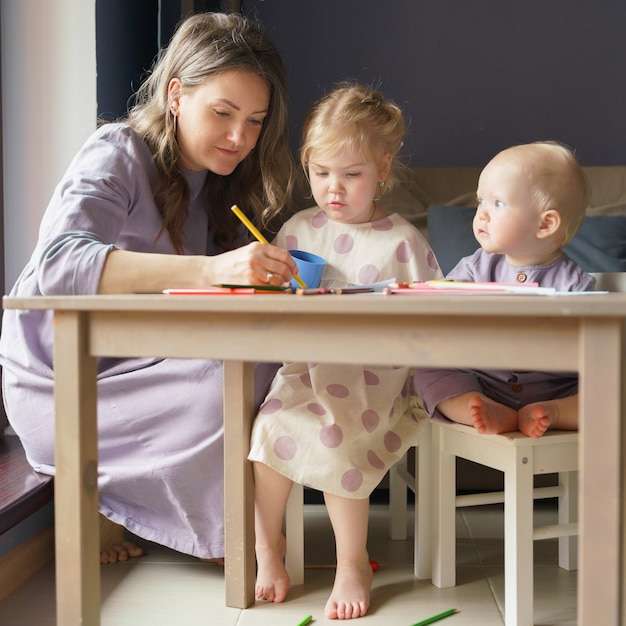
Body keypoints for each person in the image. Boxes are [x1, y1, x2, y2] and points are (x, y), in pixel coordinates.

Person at [0, 12, 299, 564]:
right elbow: (59, 265)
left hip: (139, 368)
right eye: (223, 113)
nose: (240, 137)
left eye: (255, 121)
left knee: (267, 362)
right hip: (62, 383)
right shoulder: (117, 149)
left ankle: (221, 528)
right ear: (176, 93)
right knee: (222, 380)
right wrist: (215, 272)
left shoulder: (212, 186)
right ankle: (223, 538)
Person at [248, 83, 443, 620]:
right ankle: (268, 548)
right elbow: (270, 313)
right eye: (321, 173)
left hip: (376, 378)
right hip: (306, 371)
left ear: (383, 169)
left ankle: (350, 562)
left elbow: (436, 318)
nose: (334, 189)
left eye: (352, 175)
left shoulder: (402, 240)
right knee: (267, 432)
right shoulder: (297, 230)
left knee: (338, 439)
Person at [413, 141, 595, 438]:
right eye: (481, 201)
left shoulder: (574, 284)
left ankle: (556, 412)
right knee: (427, 373)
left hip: (557, 389)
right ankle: (479, 407)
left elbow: (586, 349)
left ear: (545, 223)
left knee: (611, 389)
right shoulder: (474, 268)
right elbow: (441, 308)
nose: (482, 213)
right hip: (484, 381)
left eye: (497, 203)